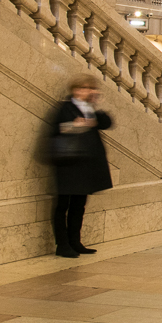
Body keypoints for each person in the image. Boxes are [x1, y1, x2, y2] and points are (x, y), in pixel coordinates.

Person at [46, 75, 113, 258]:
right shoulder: (65, 107)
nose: (86, 91)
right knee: (63, 205)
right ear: (75, 89)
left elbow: (106, 124)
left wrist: (96, 106)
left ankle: (75, 241)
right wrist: (74, 125)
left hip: (84, 165)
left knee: (79, 205)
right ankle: (62, 244)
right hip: (68, 163)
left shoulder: (90, 108)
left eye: (89, 88)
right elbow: (56, 130)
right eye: (83, 88)